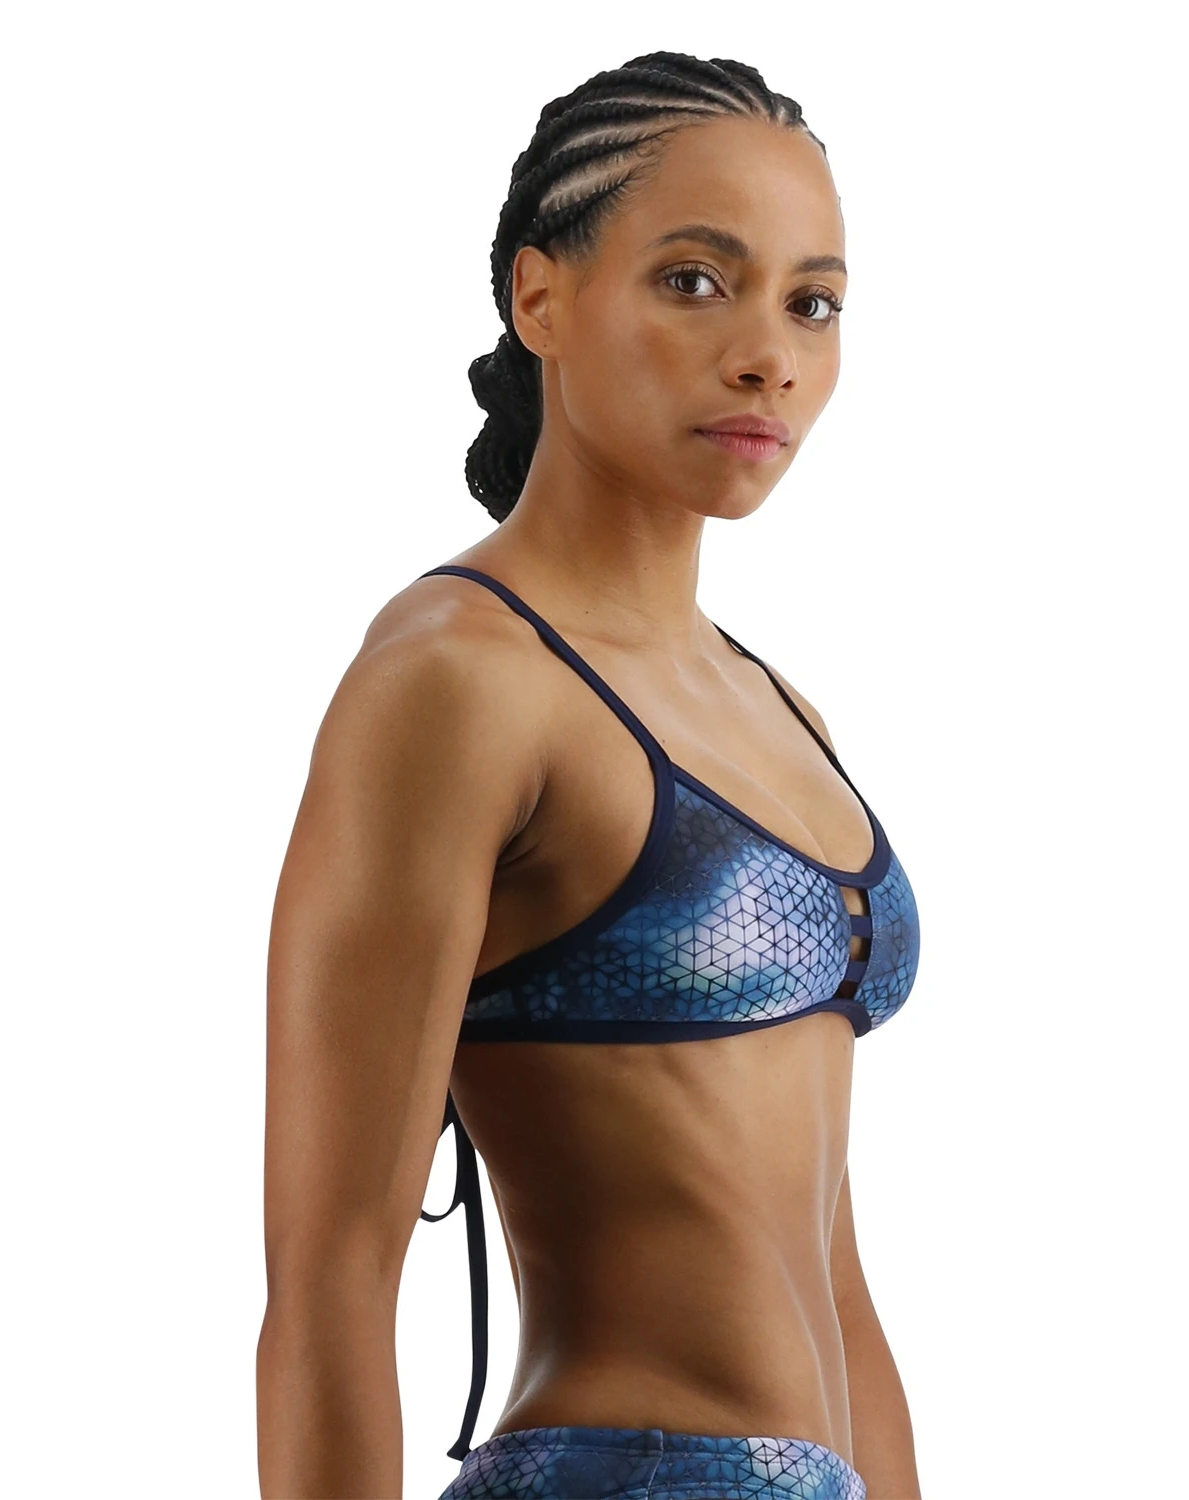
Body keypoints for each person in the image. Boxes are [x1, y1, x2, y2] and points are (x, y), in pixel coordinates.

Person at [257, 50, 922, 1500]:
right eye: (695, 280)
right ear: (539, 298)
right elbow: (329, 1280)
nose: (768, 355)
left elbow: (833, 1269)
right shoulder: (456, 682)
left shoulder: (782, 710)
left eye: (811, 303)